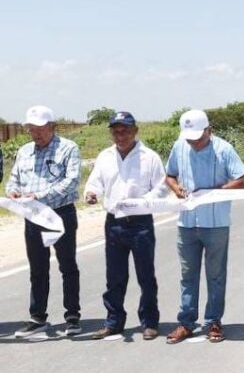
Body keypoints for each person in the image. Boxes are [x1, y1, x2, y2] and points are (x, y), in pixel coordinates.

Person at [164, 109, 244, 344]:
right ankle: (186, 322)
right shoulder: (180, 146)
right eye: (190, 138)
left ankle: (213, 321)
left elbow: (241, 181)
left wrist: (217, 192)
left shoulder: (224, 149)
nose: (194, 143)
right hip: (187, 223)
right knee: (187, 275)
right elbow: (170, 175)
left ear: (209, 130)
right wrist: (176, 188)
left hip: (216, 223)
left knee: (216, 275)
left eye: (198, 138)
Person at [84, 111, 166, 340]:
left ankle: (149, 322)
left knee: (145, 276)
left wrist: (142, 202)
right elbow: (95, 182)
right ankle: (114, 322)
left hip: (140, 223)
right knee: (115, 277)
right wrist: (91, 193)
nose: (120, 136)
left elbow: (161, 187)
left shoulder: (149, 157)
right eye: (116, 131)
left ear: (135, 131)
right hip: (114, 224)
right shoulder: (105, 156)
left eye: (125, 131)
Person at [6, 105, 82, 337]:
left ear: (52, 126)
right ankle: (38, 318)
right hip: (33, 217)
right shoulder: (24, 151)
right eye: (31, 129)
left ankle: (72, 317)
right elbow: (13, 180)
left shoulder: (68, 148)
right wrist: (13, 192)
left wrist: (40, 196)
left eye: (40, 129)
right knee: (37, 268)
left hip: (60, 214)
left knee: (67, 265)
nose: (35, 133)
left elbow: (71, 181)